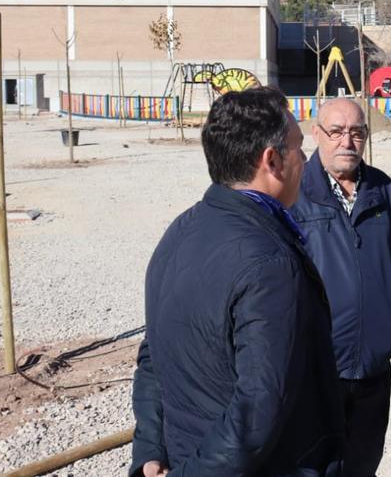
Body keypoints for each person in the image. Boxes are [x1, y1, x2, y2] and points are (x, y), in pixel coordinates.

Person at [130, 87, 343, 477]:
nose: (306, 159)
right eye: (298, 147)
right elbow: (257, 409)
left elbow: (151, 359)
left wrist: (150, 451)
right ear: (272, 160)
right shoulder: (269, 263)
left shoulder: (180, 231)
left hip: (190, 458)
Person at [291, 97, 391, 477]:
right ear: (317, 134)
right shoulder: (296, 194)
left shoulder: (384, 192)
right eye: (336, 131)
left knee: (364, 464)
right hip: (316, 371)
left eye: (357, 132)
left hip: (372, 370)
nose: (347, 141)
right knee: (315, 467)